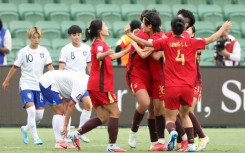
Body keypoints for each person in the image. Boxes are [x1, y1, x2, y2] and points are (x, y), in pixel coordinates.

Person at [125, 17, 231, 151]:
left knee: (169, 118)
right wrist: (223, 28)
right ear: (183, 29)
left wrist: (129, 35)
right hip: (187, 87)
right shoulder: (192, 41)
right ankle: (191, 144)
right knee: (185, 115)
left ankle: (173, 132)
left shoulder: (166, 41)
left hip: (172, 86)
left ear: (172, 28)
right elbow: (211, 39)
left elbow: (146, 43)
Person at [69, 19, 129, 152]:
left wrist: (128, 50)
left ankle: (76, 134)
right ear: (99, 31)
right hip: (101, 86)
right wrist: (106, 53)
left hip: (94, 86)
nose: (107, 28)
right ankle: (112, 146)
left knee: (103, 117)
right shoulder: (99, 44)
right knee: (115, 112)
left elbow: (111, 57)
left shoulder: (102, 44)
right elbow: (99, 55)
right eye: (105, 26)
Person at [2, 27, 54, 145]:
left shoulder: (44, 51)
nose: (36, 40)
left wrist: (55, 80)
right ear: (29, 38)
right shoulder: (23, 52)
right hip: (26, 84)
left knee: (39, 115)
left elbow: (50, 67)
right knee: (31, 111)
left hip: (39, 85)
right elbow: (14, 67)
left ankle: (25, 129)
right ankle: (36, 138)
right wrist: (6, 80)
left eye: (38, 37)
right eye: (34, 37)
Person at [130, 10, 167, 151]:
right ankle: (133, 132)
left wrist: (153, 46)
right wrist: (134, 40)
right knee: (146, 103)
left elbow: (157, 56)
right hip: (139, 74)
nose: (141, 25)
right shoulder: (141, 34)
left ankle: (156, 142)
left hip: (156, 77)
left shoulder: (161, 36)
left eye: (143, 22)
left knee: (157, 110)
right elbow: (143, 54)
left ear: (150, 25)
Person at [39, 70, 89, 149]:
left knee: (62, 111)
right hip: (49, 82)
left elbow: (66, 98)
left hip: (53, 82)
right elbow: (70, 106)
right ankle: (60, 142)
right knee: (59, 111)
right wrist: (65, 126)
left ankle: (62, 140)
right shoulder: (82, 87)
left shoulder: (85, 79)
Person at [59, 25, 92, 143]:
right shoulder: (65, 49)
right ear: (70, 36)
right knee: (67, 108)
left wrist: (92, 78)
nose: (77, 37)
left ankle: (81, 132)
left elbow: (89, 65)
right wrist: (60, 84)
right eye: (74, 35)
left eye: (78, 34)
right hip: (69, 82)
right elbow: (61, 68)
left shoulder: (87, 48)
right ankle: (65, 135)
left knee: (88, 105)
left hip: (82, 81)